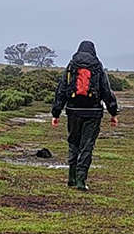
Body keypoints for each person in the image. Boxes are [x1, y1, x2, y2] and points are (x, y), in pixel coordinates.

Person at [51, 41, 119, 190]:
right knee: (86, 147)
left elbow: (61, 90)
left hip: (73, 112)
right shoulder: (97, 66)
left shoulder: (71, 66)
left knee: (73, 143)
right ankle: (81, 181)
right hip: (93, 113)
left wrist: (56, 113)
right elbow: (107, 91)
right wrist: (113, 112)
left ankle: (71, 178)